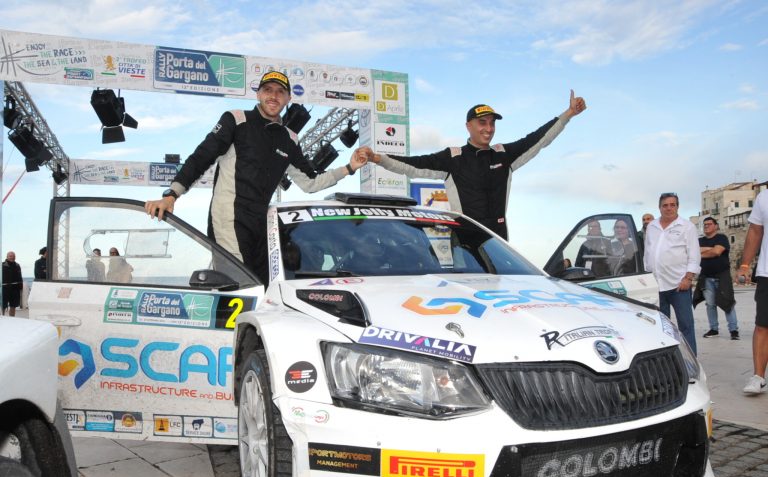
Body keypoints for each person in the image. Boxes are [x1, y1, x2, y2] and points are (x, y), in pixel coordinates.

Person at [145, 71, 365, 284]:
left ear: (288, 98)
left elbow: (310, 183)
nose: (273, 96)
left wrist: (349, 167)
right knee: (240, 284)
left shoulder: (290, 139)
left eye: (280, 92)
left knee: (264, 286)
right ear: (258, 94)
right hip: (229, 218)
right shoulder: (236, 119)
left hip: (262, 222)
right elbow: (201, 157)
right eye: (267, 90)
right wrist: (171, 194)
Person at [356, 90, 587, 239]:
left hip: (498, 241)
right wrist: (378, 158)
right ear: (468, 126)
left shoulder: (504, 155)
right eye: (482, 123)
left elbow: (539, 138)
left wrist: (568, 114)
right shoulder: (453, 158)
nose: (488, 128)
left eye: (492, 123)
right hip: (465, 242)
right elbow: (412, 165)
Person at [644, 192, 701, 354]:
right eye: (665, 205)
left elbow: (694, 255)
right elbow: (647, 253)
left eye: (672, 205)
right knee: (659, 327)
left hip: (678, 285)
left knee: (686, 326)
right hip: (656, 285)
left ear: (677, 206)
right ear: (659, 207)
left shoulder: (687, 227)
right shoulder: (652, 227)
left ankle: (691, 365)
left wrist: (688, 278)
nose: (669, 208)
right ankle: (664, 363)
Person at [737, 188, 768, 394]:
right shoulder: (764, 197)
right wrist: (745, 265)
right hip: (767, 271)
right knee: (763, 325)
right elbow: (755, 231)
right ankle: (758, 377)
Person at [694, 217, 738, 340]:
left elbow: (717, 252)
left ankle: (733, 330)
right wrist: (711, 249)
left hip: (722, 276)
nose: (706, 226)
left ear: (716, 226)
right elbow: (695, 252)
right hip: (706, 278)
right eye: (705, 224)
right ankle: (714, 329)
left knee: (727, 302)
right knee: (710, 304)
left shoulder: (722, 238)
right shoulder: (699, 240)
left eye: (709, 224)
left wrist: (705, 252)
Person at [2, 251, 23, 316]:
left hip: (15, 289)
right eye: (10, 256)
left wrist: (21, 286)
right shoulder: (2, 265)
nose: (12, 257)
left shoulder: (17, 265)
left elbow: (20, 276)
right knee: (3, 305)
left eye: (13, 256)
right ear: (7, 257)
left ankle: (12, 318)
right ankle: (2, 318)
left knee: (13, 305)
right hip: (4, 288)